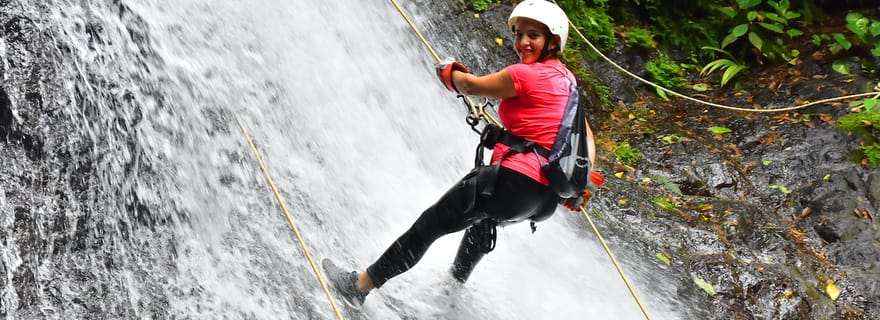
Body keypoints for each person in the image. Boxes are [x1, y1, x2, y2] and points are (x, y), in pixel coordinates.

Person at [323, 0, 598, 307]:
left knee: (430, 224)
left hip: (513, 183)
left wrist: (449, 74)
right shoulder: (568, 82)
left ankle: (360, 285)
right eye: (518, 34)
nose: (522, 42)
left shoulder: (526, 75)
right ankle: (453, 290)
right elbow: (585, 137)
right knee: (482, 221)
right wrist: (576, 184)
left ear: (553, 40)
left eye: (532, 35)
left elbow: (469, 84)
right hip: (542, 200)